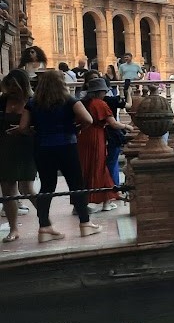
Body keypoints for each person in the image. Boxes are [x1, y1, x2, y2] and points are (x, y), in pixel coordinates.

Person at [16, 68, 98, 241]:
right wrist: (77, 129)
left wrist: (35, 133)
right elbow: (89, 120)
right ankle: (85, 224)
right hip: (67, 146)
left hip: (43, 148)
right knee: (76, 185)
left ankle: (44, 227)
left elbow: (22, 127)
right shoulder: (69, 100)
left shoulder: (32, 103)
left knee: (46, 187)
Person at [80, 78, 129, 212]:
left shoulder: (82, 103)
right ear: (100, 91)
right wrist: (126, 126)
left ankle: (82, 202)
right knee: (100, 167)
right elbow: (113, 123)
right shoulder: (100, 104)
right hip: (96, 136)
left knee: (85, 168)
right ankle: (106, 202)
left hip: (83, 136)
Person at [0, 70, 36, 242]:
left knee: (27, 188)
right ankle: (13, 228)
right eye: (9, 86)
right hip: (4, 148)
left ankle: (46, 220)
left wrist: (25, 130)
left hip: (26, 147)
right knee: (7, 189)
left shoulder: (33, 102)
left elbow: (41, 128)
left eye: (15, 86)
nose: (12, 89)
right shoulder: (2, 101)